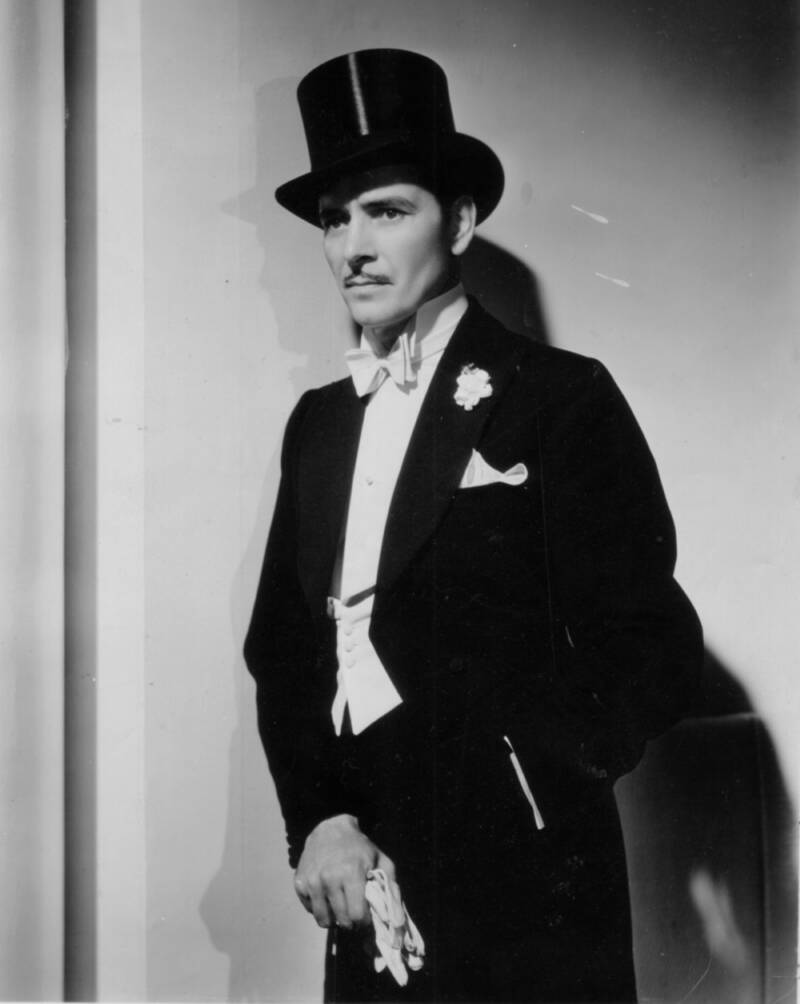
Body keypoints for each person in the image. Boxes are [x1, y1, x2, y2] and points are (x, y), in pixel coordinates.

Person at [245, 48, 703, 1003]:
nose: (353, 248)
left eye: (386, 211)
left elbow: (651, 642)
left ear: (457, 221)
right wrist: (318, 819)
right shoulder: (318, 425)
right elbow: (284, 651)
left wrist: (527, 783)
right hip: (367, 878)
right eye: (334, 219)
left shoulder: (559, 396)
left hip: (528, 881)